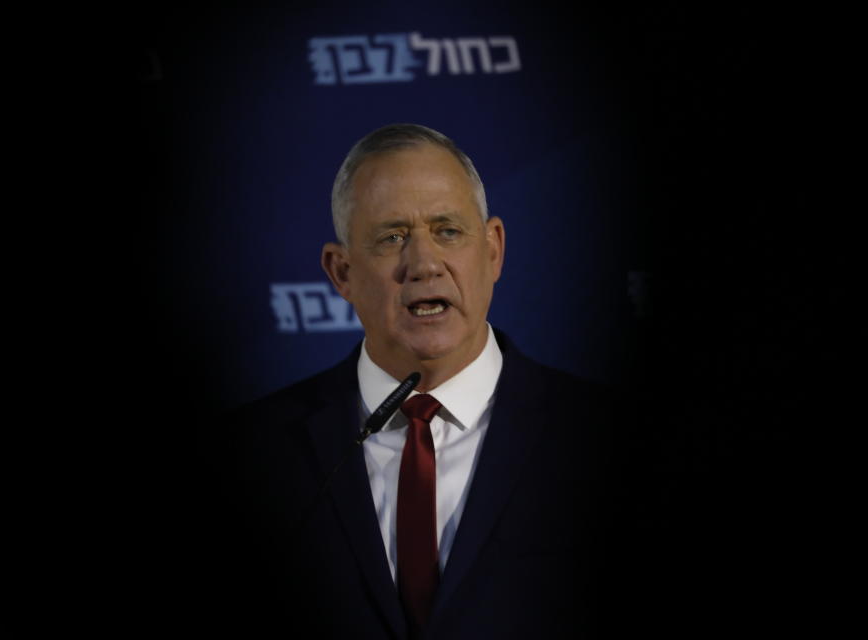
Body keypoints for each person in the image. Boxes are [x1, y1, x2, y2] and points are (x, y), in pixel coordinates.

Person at [197, 124, 623, 639]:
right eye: (392, 237)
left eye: (447, 231)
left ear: (492, 250)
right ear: (342, 272)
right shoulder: (249, 455)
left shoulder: (606, 438)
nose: (424, 265)